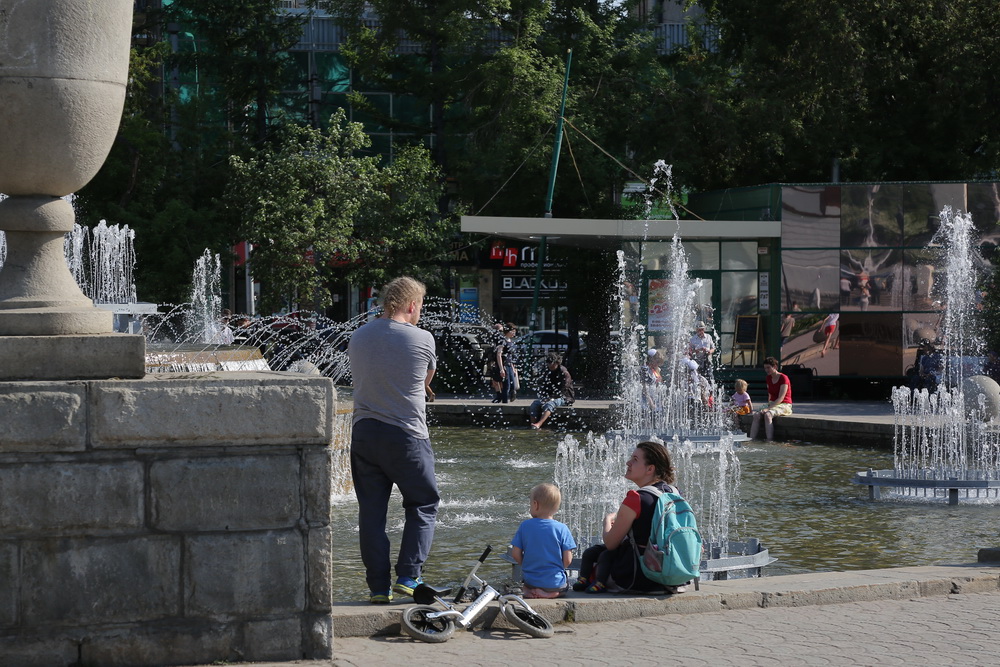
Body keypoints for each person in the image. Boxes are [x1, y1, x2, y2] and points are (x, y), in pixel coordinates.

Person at [348, 276, 440, 604]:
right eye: (421, 306)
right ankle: (409, 575)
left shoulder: (358, 336)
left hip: (364, 434)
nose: (421, 312)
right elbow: (425, 378)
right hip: (407, 436)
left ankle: (377, 587)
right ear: (412, 305)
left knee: (371, 513)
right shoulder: (422, 338)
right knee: (423, 503)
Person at [572, 441, 689, 594]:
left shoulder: (636, 498)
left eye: (635, 459)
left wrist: (607, 522)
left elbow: (610, 543)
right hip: (671, 576)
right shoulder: (674, 493)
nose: (628, 462)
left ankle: (588, 582)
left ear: (650, 469)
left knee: (601, 553)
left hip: (639, 578)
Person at [510, 483, 577, 599]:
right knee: (565, 584)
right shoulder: (562, 528)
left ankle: (529, 591)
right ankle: (552, 593)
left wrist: (527, 565)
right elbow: (568, 559)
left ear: (535, 505)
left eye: (530, 504)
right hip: (554, 583)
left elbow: (515, 554)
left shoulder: (525, 526)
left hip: (531, 581)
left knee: (524, 584)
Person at [749, 356, 793, 441]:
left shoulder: (783, 378)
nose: (767, 370)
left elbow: (781, 398)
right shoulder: (768, 378)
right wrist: (767, 405)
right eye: (765, 368)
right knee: (756, 415)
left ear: (775, 367)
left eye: (768, 367)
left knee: (768, 415)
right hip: (773, 403)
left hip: (784, 404)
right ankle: (752, 439)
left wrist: (767, 408)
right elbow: (770, 394)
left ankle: (770, 440)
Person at [529, 352, 575, 429]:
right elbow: (544, 386)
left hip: (565, 397)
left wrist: (551, 398)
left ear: (557, 363)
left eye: (551, 364)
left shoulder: (564, 372)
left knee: (549, 404)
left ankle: (539, 424)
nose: (550, 365)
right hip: (550, 396)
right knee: (535, 404)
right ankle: (533, 424)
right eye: (548, 364)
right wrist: (544, 396)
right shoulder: (547, 371)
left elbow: (564, 389)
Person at [497, 322, 519, 403]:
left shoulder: (511, 341)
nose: (514, 333)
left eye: (515, 331)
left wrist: (513, 368)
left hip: (510, 365)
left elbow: (511, 356)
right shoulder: (503, 341)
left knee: (513, 386)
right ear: (507, 331)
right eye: (512, 331)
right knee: (507, 386)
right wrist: (501, 369)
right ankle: (504, 402)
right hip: (505, 365)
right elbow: (499, 355)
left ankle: (510, 399)